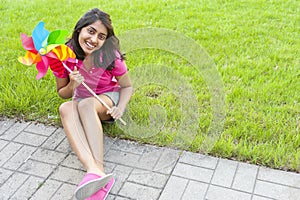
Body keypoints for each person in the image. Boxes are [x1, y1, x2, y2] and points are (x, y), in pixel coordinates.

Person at [55, 8, 133, 200]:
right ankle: (95, 172)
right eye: (90, 31)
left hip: (106, 99)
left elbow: (127, 86)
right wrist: (73, 84)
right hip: (81, 101)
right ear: (79, 29)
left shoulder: (110, 56)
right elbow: (62, 94)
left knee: (86, 105)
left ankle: (99, 170)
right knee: (65, 108)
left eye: (101, 36)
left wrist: (120, 108)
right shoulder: (63, 56)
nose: (94, 39)